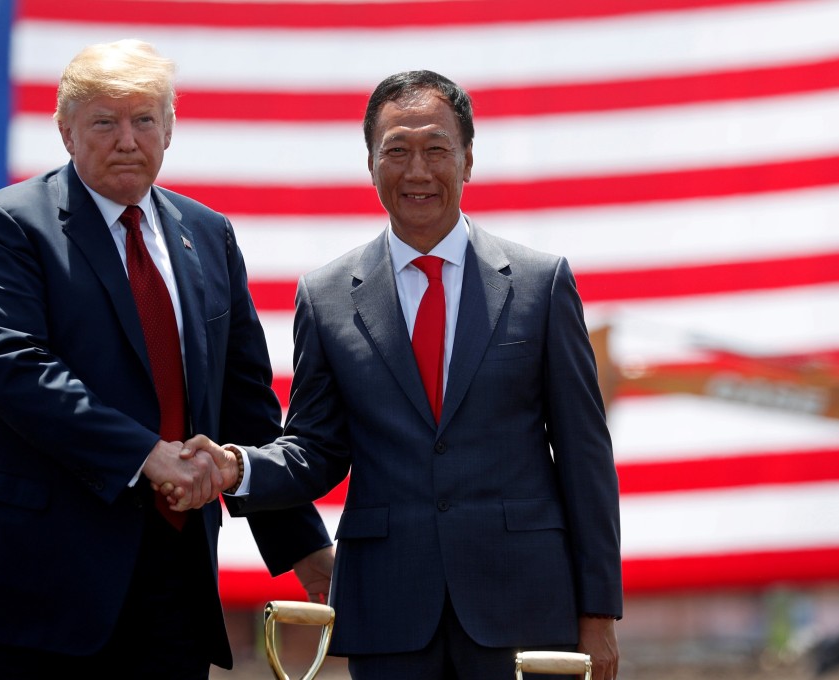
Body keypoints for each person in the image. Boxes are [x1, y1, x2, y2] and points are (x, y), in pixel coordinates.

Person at [170, 70, 622, 679]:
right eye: (397, 151)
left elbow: (583, 456)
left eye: (437, 149)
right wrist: (237, 467)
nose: (418, 171)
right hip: (389, 611)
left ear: (467, 161)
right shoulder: (326, 296)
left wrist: (597, 615)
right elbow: (317, 449)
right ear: (370, 163)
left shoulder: (541, 284)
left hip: (523, 605)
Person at [0, 39, 333, 680]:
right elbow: (15, 368)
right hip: (26, 588)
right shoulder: (6, 226)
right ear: (66, 132)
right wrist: (147, 453)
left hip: (169, 583)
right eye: (104, 122)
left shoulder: (209, 234)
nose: (126, 139)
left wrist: (306, 548)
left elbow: (245, 405)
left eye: (143, 119)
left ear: (169, 129)